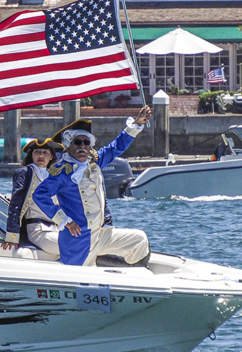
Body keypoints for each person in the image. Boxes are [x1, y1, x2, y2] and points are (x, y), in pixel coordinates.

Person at [33, 106, 153, 267]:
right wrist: (65, 221)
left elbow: (116, 146)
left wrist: (137, 123)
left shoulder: (95, 161)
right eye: (77, 142)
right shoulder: (62, 172)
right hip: (78, 239)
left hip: (102, 233)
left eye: (86, 142)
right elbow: (39, 195)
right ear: (69, 146)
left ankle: (136, 281)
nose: (82, 146)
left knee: (139, 240)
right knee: (76, 277)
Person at [2, 138, 64, 256]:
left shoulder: (54, 176)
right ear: (32, 155)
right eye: (37, 152)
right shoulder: (25, 172)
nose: (41, 155)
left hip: (56, 228)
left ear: (51, 157)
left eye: (45, 152)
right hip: (36, 229)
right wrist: (12, 236)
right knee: (71, 246)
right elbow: (15, 204)